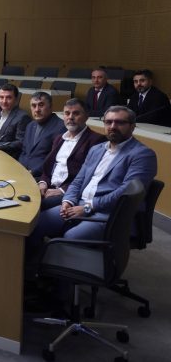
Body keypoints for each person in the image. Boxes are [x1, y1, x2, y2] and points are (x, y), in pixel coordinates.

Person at [29, 106, 157, 251]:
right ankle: (36, 261)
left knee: (71, 237)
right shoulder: (97, 149)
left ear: (132, 126)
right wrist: (67, 201)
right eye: (108, 122)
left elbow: (125, 193)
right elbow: (78, 180)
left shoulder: (142, 155)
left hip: (111, 214)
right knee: (35, 223)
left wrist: (88, 207)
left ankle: (58, 264)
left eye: (119, 122)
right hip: (79, 204)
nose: (112, 126)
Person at [37, 98, 107, 210]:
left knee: (34, 204)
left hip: (69, 193)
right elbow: (49, 167)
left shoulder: (97, 140)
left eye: (76, 113)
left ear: (86, 116)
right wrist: (43, 182)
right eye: (67, 113)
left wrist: (61, 190)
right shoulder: (59, 138)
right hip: (49, 186)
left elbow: (90, 176)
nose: (70, 117)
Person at [18, 92, 66, 178]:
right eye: (33, 106)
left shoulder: (60, 127)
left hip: (42, 177)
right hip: (23, 173)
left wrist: (32, 172)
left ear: (51, 106)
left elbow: (54, 159)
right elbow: (24, 152)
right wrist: (19, 168)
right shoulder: (30, 125)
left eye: (41, 105)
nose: (37, 109)